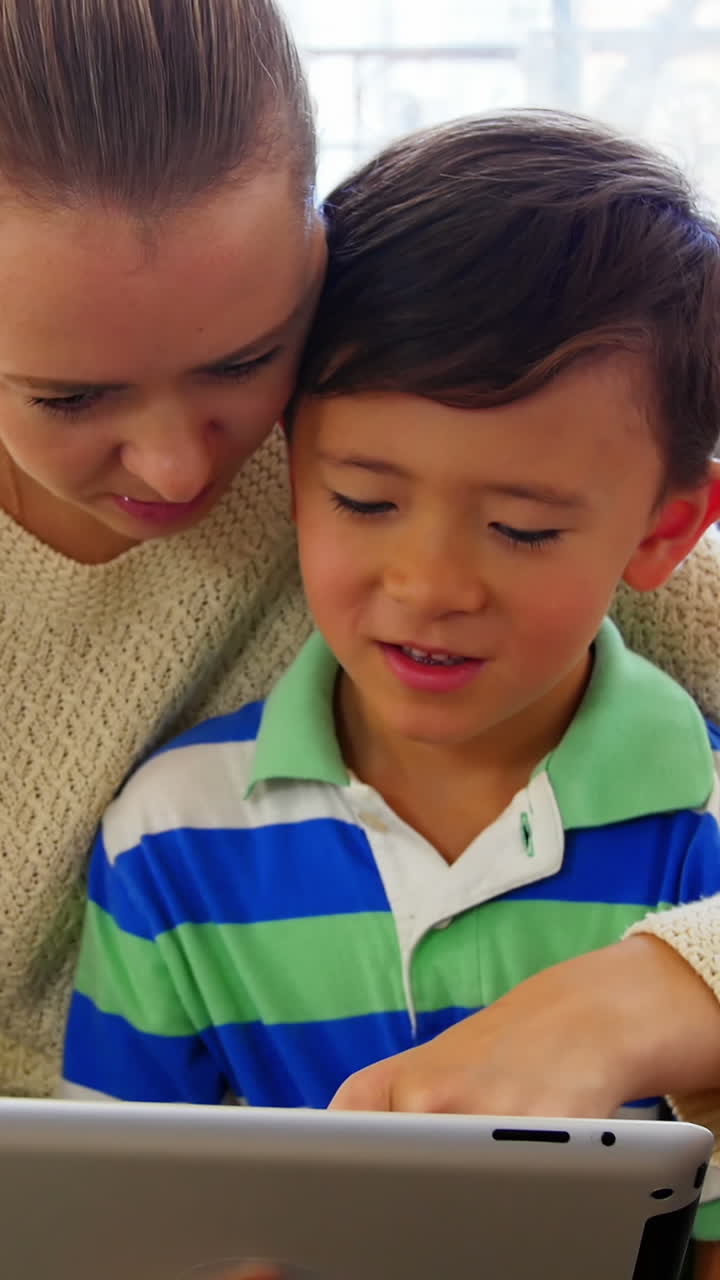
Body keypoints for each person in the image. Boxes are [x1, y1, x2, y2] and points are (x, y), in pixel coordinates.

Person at [0, 0, 719, 1145]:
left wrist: (670, 986)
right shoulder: (177, 831)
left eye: (246, 360)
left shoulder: (391, 429)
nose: (184, 463)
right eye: (69, 396)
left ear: (320, 257)